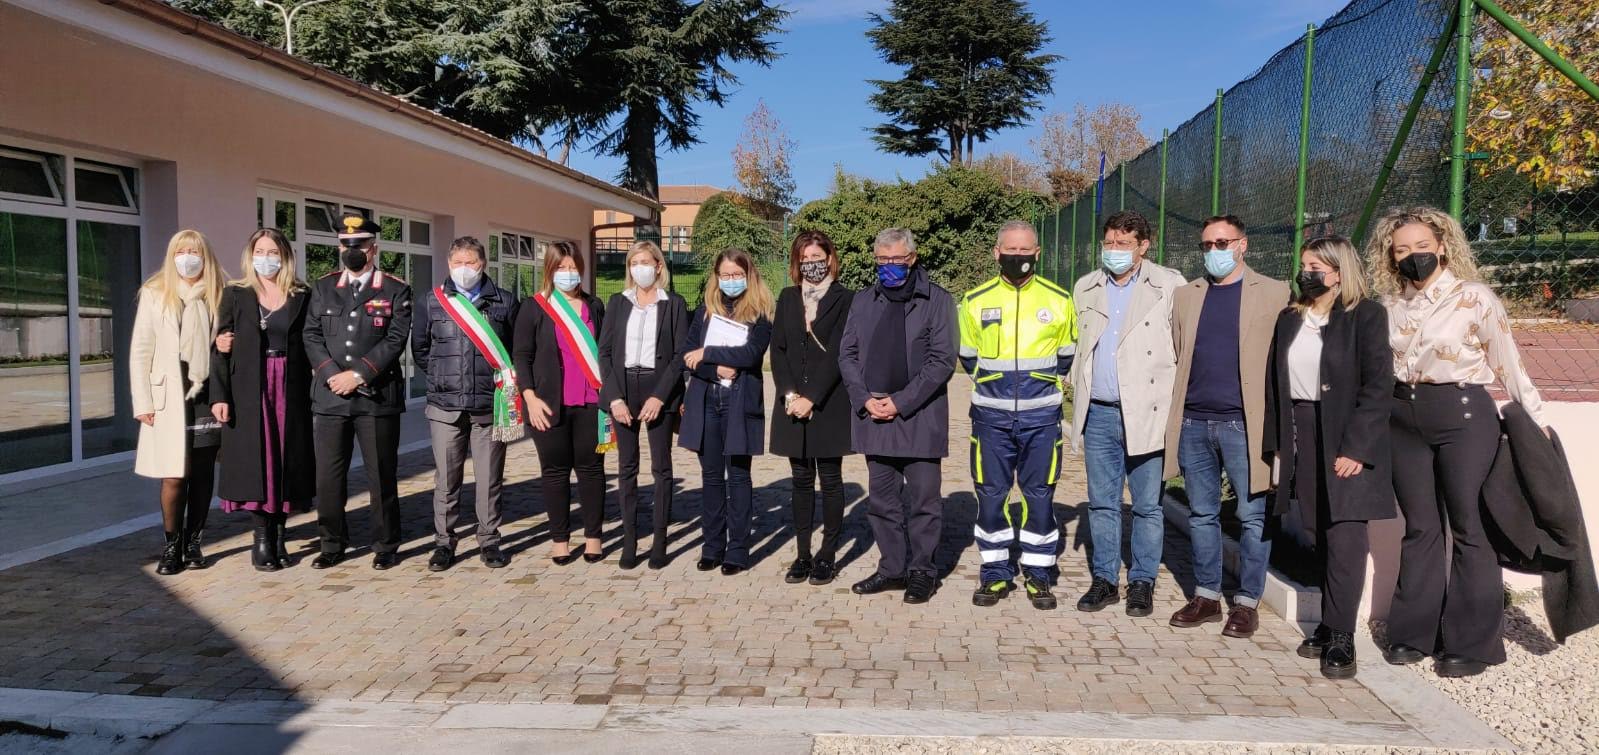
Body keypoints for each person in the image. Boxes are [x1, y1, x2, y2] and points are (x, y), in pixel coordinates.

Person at [1368, 206, 1548, 678]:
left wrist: (1537, 420)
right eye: (1402, 249)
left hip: (1463, 415)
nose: (1412, 257)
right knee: (1421, 526)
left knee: (1471, 527)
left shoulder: (1475, 297)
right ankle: (1413, 632)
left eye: (1422, 247)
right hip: (1403, 416)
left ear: (1443, 246)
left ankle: (1471, 642)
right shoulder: (1389, 305)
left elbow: (1509, 362)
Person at [1263, 235, 1393, 679]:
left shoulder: (1366, 317)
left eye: (1316, 265)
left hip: (1344, 433)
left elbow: (1378, 386)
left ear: (1339, 272)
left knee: (1346, 536)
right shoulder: (1290, 318)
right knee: (1318, 530)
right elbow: (1274, 384)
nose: (1307, 272)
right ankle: (1327, 621)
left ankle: (1341, 636)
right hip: (1302, 430)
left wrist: (1357, 447)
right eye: (1304, 264)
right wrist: (1280, 443)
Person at [1165, 215, 1290, 638]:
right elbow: (1179, 351)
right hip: (1195, 422)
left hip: (1245, 424)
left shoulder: (1274, 292)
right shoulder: (1187, 295)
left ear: (1243, 244)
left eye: (1223, 242)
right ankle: (1206, 596)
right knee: (1202, 513)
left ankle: (1246, 602)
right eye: (1207, 245)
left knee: (1252, 515)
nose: (1214, 251)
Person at [1068, 211, 1187, 616]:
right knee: (1101, 502)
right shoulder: (1086, 286)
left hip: (1147, 412)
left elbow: (1182, 346)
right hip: (1098, 412)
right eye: (1109, 243)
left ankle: (1142, 581)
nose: (1114, 251)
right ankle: (1104, 579)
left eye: (1123, 243)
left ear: (1143, 245)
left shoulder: (1170, 285)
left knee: (1147, 504)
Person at [957, 221, 1077, 610]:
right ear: (997, 252)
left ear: (1037, 254)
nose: (1019, 258)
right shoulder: (974, 300)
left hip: (1041, 421)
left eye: (1026, 252)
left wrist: (1038, 389)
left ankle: (1039, 574)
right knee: (991, 496)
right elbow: (969, 357)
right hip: (990, 420)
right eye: (1011, 250)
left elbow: (1065, 357)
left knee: (1039, 497)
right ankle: (994, 573)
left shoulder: (1059, 300)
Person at [838, 228, 957, 604]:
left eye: (897, 259)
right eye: (883, 259)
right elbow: (848, 355)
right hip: (874, 415)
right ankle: (892, 568)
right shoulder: (863, 301)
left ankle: (923, 571)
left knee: (924, 500)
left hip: (919, 416)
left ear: (913, 258)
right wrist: (863, 399)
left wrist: (900, 401)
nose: (890, 266)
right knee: (882, 500)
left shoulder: (937, 301)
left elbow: (942, 362)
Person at [303, 215, 413, 570]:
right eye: (347, 246)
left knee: (380, 474)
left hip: (376, 396)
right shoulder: (322, 288)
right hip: (331, 395)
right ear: (339, 248)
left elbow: (395, 339)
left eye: (360, 245)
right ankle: (332, 542)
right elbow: (311, 336)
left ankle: (385, 543)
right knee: (328, 476)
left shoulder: (395, 289)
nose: (353, 252)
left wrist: (359, 374)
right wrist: (334, 375)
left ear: (374, 248)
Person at [412, 236, 520, 572]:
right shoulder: (432, 301)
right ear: (448, 264)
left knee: (489, 479)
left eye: (470, 262)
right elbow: (420, 349)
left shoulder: (504, 302)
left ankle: (489, 540)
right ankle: (444, 542)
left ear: (483, 264)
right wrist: (444, 378)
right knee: (447, 479)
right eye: (457, 262)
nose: (464, 269)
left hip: (489, 405)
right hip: (445, 407)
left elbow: (513, 351)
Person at [210, 229, 314, 571]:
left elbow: (312, 341)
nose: (266, 258)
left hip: (290, 384)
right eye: (260, 251)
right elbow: (220, 347)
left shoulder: (302, 295)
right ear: (250, 255)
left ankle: (281, 536)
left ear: (284, 256)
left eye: (272, 251)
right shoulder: (236, 293)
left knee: (286, 457)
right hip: (248, 386)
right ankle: (262, 539)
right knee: (259, 459)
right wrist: (219, 395)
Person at [130, 229, 225, 575]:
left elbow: (226, 346)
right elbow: (141, 351)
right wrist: (142, 401)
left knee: (201, 474)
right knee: (173, 476)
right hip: (168, 397)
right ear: (171, 256)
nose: (188, 257)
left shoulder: (218, 294)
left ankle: (194, 542)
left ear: (206, 256)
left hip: (205, 396)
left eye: (195, 251)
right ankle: (171, 546)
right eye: (181, 251)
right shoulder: (156, 293)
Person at [679, 248, 775, 577]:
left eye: (737, 275)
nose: (730, 281)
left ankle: (737, 549)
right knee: (710, 477)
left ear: (749, 276)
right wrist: (714, 366)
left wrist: (708, 352)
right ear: (716, 277)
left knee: (738, 476)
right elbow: (687, 355)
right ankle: (712, 546)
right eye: (725, 275)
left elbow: (751, 354)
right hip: (707, 400)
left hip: (740, 402)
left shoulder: (761, 312)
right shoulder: (705, 311)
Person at [514, 241, 608, 565]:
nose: (568, 274)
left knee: (592, 470)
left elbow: (604, 352)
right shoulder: (534, 307)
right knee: (554, 472)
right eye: (561, 268)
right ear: (550, 271)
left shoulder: (594, 306)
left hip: (590, 403)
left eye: (573, 267)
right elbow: (522, 356)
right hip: (548, 404)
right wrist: (529, 397)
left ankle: (593, 537)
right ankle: (560, 540)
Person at [769, 231, 854, 586]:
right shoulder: (788, 298)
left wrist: (812, 398)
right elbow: (779, 350)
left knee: (830, 480)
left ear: (830, 258)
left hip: (828, 404)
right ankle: (803, 554)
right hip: (792, 405)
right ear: (797, 263)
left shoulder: (846, 298)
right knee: (800, 481)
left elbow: (839, 352)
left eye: (818, 257)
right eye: (805, 259)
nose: (812, 265)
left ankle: (827, 554)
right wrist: (790, 394)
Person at [598, 241, 689, 570]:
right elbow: (604, 352)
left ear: (659, 266)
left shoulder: (674, 304)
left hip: (658, 388)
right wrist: (614, 397)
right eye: (634, 262)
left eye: (645, 262)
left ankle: (660, 541)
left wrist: (660, 396)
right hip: (623, 389)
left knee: (662, 468)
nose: (640, 268)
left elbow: (680, 355)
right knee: (627, 468)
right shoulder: (617, 303)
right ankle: (630, 539)